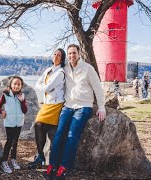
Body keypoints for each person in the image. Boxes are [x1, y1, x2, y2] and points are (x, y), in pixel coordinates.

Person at [45, 44, 106, 179]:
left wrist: (101, 106)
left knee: (72, 136)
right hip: (68, 106)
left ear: (79, 54)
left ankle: (64, 167)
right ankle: (53, 164)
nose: (72, 55)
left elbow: (98, 88)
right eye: (70, 53)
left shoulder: (87, 69)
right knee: (59, 134)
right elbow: (53, 81)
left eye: (74, 53)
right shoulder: (65, 68)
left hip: (83, 106)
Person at [27, 48, 66, 170]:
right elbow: (38, 84)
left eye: (59, 55)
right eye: (54, 54)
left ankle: (45, 158)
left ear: (62, 58)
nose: (55, 57)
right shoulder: (48, 70)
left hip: (56, 105)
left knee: (42, 125)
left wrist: (46, 88)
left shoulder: (60, 73)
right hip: (47, 104)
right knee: (38, 125)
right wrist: (45, 87)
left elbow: (47, 88)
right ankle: (40, 156)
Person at [0, 75, 28, 174]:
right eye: (15, 84)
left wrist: (22, 101)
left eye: (19, 84)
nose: (16, 86)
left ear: (21, 86)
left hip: (19, 123)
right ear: (11, 84)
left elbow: (25, 110)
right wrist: (2, 112)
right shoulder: (5, 95)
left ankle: (13, 159)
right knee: (9, 141)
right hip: (9, 122)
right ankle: (4, 162)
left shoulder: (21, 96)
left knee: (15, 142)